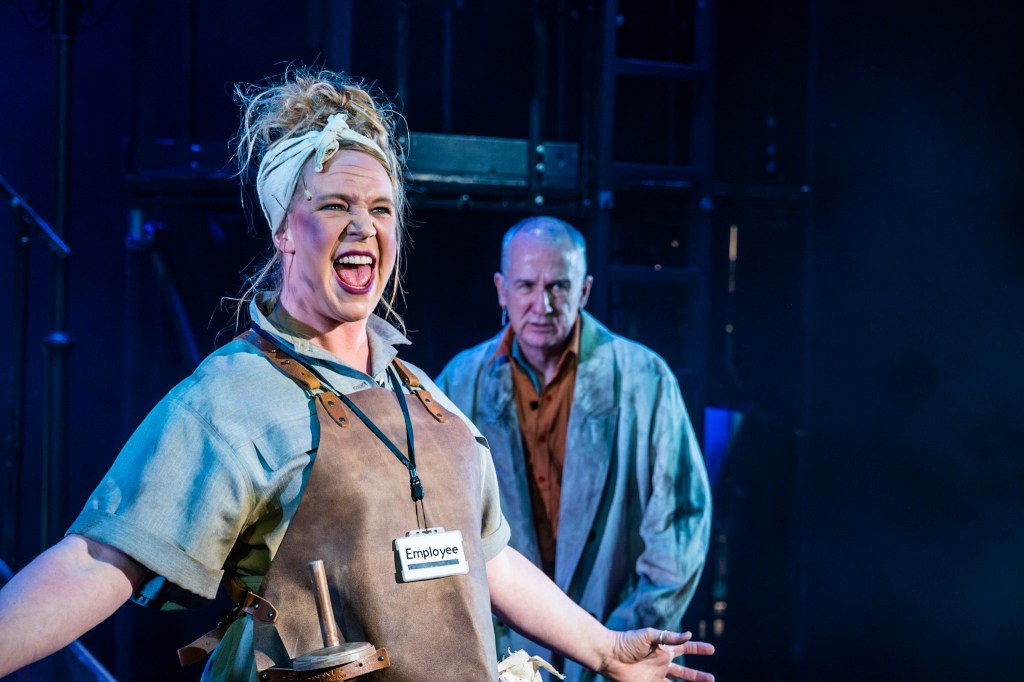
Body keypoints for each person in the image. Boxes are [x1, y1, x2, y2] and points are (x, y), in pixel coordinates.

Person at [0, 68, 714, 681]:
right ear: (285, 231)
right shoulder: (236, 396)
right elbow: (97, 558)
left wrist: (605, 648)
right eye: (335, 205)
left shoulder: (424, 395)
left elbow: (486, 556)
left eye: (380, 209)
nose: (363, 225)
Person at [436, 216, 713, 682]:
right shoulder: (458, 383)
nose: (542, 305)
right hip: (503, 658)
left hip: (624, 650)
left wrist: (616, 641)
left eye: (558, 286)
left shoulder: (645, 378)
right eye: (526, 286)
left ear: (584, 290)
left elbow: (680, 526)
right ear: (501, 290)